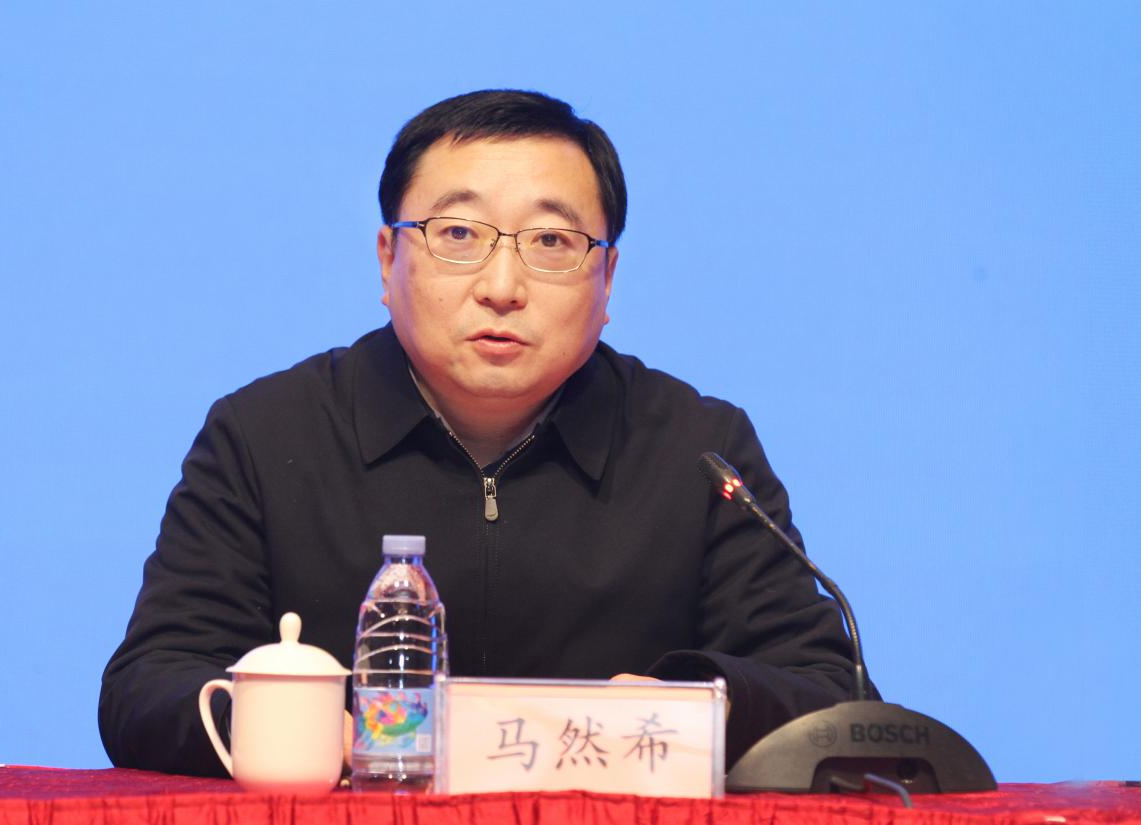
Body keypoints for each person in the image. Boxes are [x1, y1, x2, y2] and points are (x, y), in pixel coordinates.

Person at [99, 89, 860, 778]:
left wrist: (686, 707)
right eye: (458, 233)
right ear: (388, 259)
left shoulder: (697, 448)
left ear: (607, 281)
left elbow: (832, 697)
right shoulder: (265, 434)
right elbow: (149, 684)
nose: (501, 288)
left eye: (552, 243)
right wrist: (290, 727)